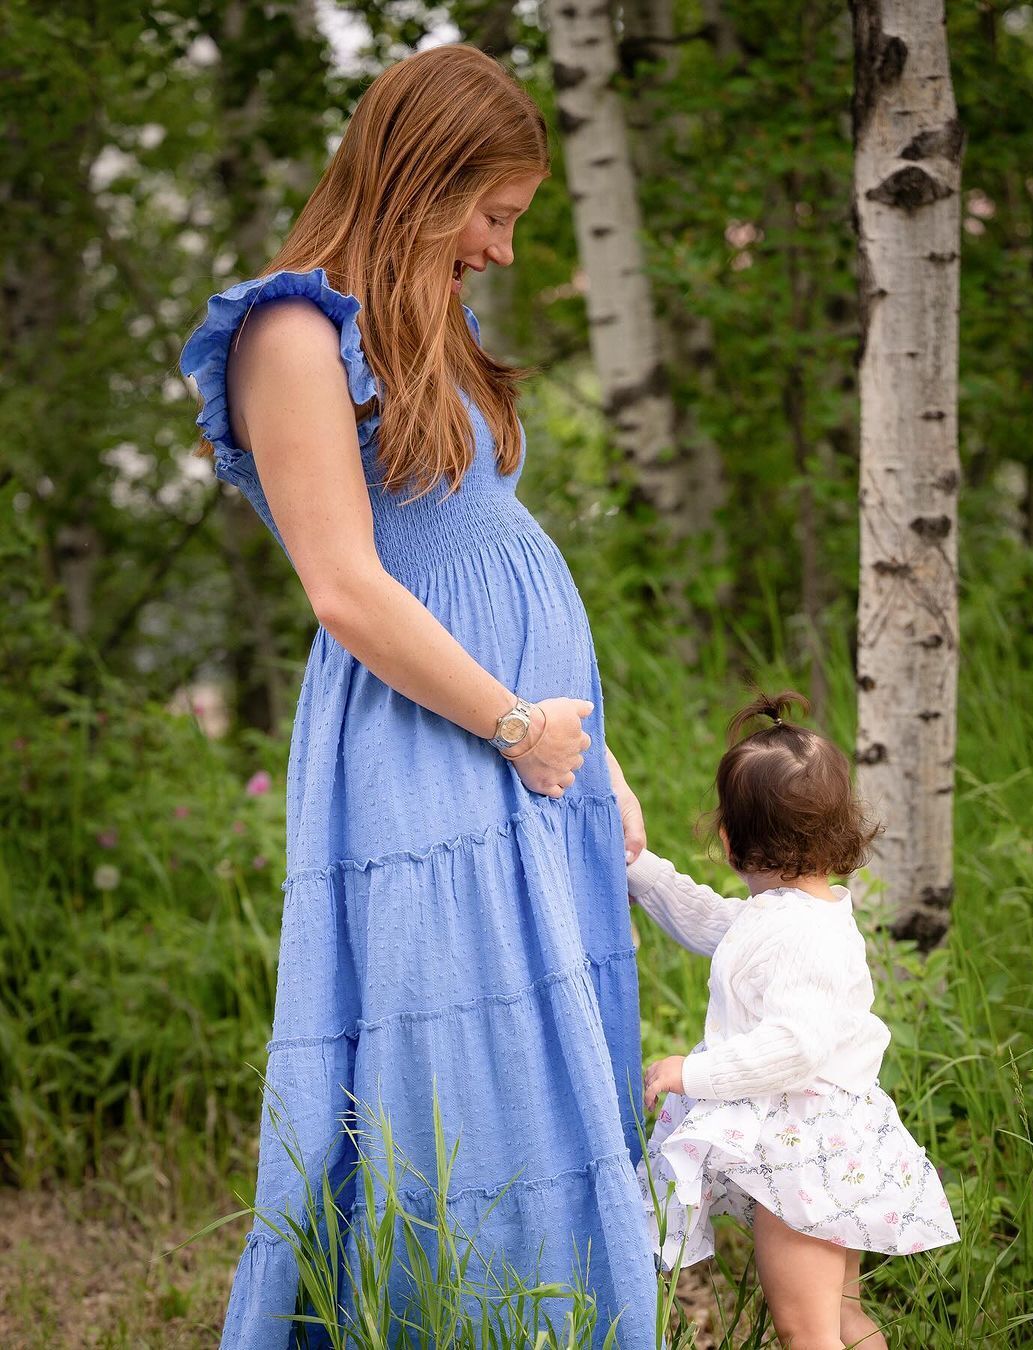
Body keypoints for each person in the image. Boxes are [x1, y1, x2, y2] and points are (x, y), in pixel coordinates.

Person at [180, 43, 656, 1349]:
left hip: (527, 747)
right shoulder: (291, 332)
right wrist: (512, 720)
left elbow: (483, 537)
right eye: (491, 213)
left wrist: (588, 745)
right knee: (449, 1079)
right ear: (422, 178)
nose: (501, 251)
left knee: (548, 1073)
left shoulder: (424, 327)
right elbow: (344, 585)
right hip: (434, 747)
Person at [629, 691, 959, 1350]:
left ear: (727, 838)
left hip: (806, 1156)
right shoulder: (791, 914)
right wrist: (638, 869)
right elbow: (710, 922)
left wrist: (691, 1073)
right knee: (839, 1320)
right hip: (828, 1145)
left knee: (806, 1332)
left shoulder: (796, 937)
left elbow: (794, 1047)